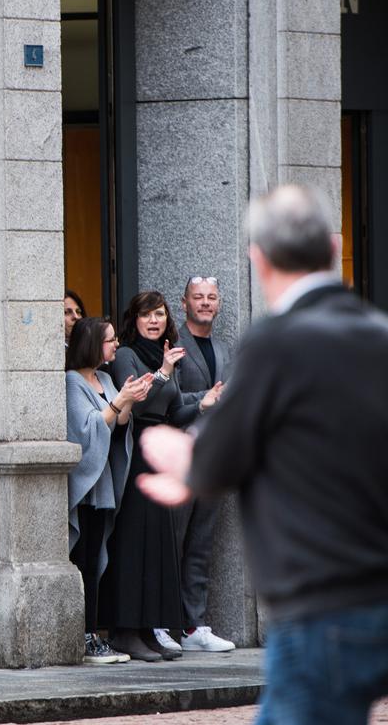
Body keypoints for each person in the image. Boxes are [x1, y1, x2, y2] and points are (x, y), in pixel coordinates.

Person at [138, 184, 388, 725]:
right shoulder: (387, 339)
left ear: (259, 259)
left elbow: (223, 456)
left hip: (320, 604)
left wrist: (185, 462)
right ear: (334, 250)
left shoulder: (276, 340)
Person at [102, 291, 223, 661]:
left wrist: (200, 405)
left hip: (160, 451)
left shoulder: (165, 354)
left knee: (158, 545)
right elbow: (136, 399)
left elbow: (171, 412)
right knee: (132, 542)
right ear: (133, 320)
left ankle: (150, 629)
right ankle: (125, 631)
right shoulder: (127, 356)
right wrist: (164, 373)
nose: (153, 321)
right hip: (134, 450)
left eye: (159, 314)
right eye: (145, 314)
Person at [64, 317, 152, 664]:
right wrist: (121, 402)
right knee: (83, 559)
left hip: (104, 484)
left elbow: (119, 422)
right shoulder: (72, 381)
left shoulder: (104, 378)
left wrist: (131, 397)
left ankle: (94, 635)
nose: (116, 345)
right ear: (91, 344)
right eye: (110, 340)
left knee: (98, 559)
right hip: (85, 486)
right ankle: (84, 636)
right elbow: (86, 428)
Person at [158, 275, 237, 654]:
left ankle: (194, 625)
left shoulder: (222, 349)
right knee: (171, 543)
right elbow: (167, 400)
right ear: (184, 302)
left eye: (211, 297)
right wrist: (206, 397)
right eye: (198, 297)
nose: (205, 303)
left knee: (201, 546)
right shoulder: (174, 347)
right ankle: (161, 622)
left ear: (219, 304)